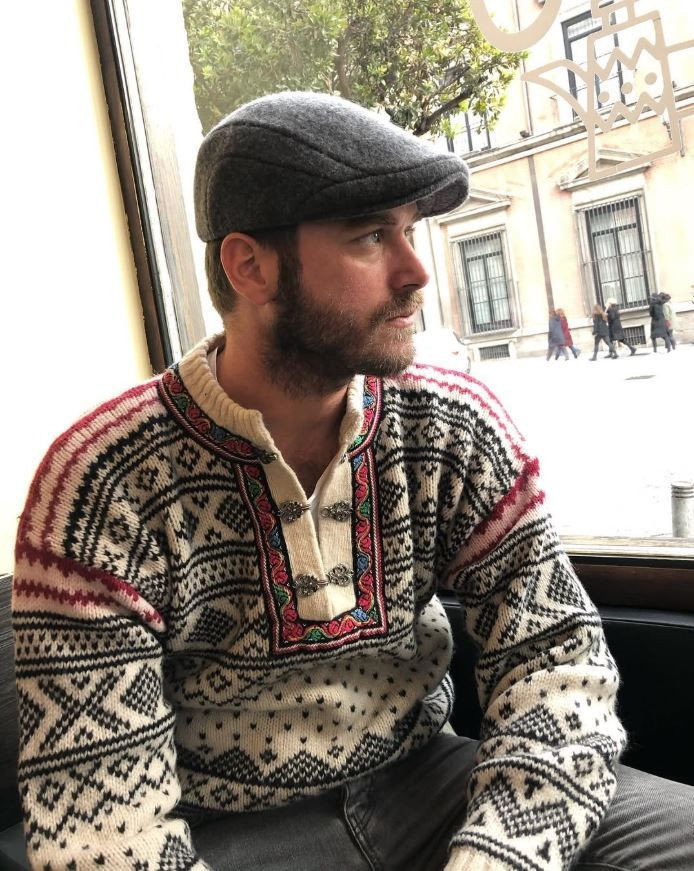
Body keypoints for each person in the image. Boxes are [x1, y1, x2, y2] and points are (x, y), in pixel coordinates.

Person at [12, 92, 694, 871]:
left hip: (432, 783)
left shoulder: (453, 426)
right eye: (371, 237)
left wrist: (497, 855)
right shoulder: (100, 481)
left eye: (410, 231)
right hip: (224, 833)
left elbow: (558, 666)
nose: (417, 271)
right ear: (250, 266)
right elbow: (99, 822)